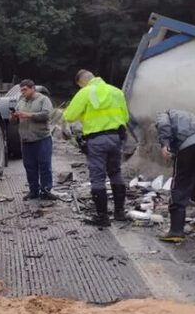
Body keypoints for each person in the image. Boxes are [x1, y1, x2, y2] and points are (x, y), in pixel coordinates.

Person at [62, 70, 129, 226]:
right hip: (116, 138)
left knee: (97, 177)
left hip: (97, 140)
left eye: (79, 86)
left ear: (82, 82)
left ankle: (102, 217)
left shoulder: (85, 92)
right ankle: (120, 212)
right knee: (116, 172)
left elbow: (69, 116)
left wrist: (85, 115)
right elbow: (125, 117)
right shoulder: (116, 91)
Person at [155, 109, 195, 243]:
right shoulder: (193, 118)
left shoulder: (165, 113)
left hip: (190, 145)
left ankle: (176, 231)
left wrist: (164, 144)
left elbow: (163, 125)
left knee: (180, 184)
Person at [12, 79, 57, 200]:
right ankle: (33, 191)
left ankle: (46, 190)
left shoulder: (43, 99)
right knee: (30, 167)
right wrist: (15, 116)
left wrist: (28, 115)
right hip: (26, 140)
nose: (22, 93)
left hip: (42, 138)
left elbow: (46, 115)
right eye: (21, 90)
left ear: (33, 89)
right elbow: (14, 121)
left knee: (44, 165)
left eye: (25, 90)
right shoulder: (21, 101)